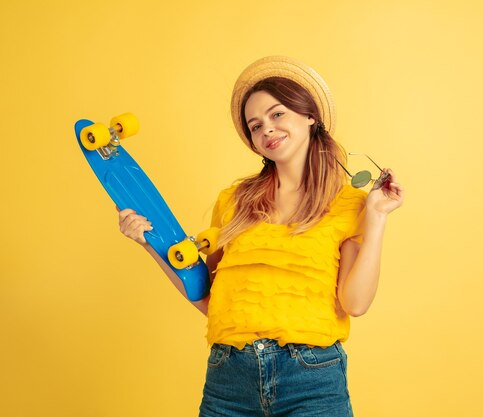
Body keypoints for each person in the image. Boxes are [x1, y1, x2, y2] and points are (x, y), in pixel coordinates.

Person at [117, 56, 404, 417]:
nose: (266, 129)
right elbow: (207, 296)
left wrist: (376, 217)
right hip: (228, 380)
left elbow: (356, 303)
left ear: (310, 116)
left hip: (311, 380)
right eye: (255, 125)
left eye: (277, 114)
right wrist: (148, 245)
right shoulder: (234, 201)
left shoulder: (350, 204)